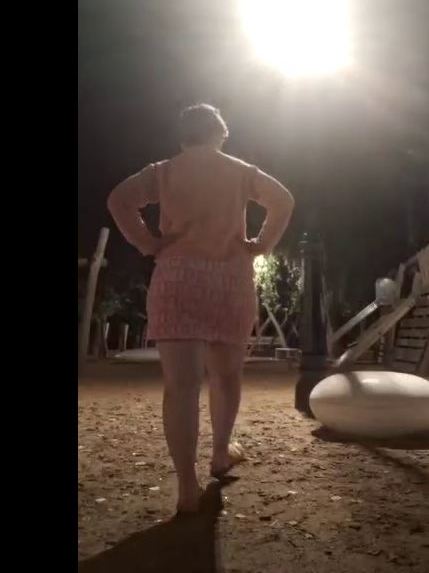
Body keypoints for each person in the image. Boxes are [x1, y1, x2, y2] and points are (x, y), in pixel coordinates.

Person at [107, 104, 295, 513]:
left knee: (181, 385)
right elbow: (282, 200)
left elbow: (119, 200)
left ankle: (187, 487)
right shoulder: (239, 171)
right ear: (220, 133)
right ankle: (221, 453)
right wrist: (261, 245)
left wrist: (148, 242)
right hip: (230, 278)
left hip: (177, 277)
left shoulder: (164, 171)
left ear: (183, 137)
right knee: (226, 377)